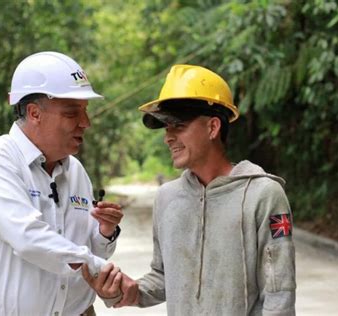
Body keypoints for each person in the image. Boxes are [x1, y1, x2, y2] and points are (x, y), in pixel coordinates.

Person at [90, 64, 296, 315]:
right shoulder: (167, 198)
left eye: (178, 125)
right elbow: (164, 278)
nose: (168, 137)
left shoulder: (262, 194)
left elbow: (279, 291)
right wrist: (125, 291)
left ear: (212, 128)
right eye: (166, 128)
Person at [0, 51, 129, 316]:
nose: (85, 123)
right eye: (72, 113)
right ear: (34, 112)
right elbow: (28, 237)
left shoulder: (75, 171)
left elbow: (86, 251)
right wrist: (96, 266)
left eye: (85, 112)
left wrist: (104, 233)